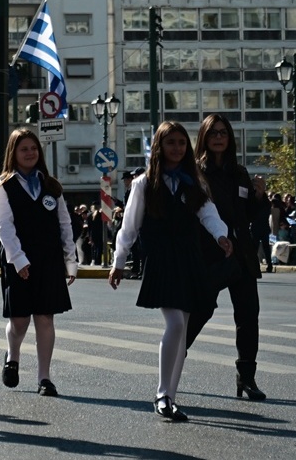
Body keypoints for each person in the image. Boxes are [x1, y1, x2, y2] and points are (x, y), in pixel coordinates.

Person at [108, 121, 233, 422]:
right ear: (159, 147)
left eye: (181, 142)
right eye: (170, 142)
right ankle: (162, 394)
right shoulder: (144, 183)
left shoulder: (195, 181)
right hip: (162, 259)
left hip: (189, 258)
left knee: (183, 327)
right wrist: (119, 261)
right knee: (175, 324)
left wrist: (221, 235)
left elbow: (208, 213)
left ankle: (171, 397)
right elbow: (130, 227)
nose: (176, 148)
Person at [184, 114, 269, 402]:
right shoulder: (195, 173)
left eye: (223, 132)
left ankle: (246, 377)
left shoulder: (240, 173)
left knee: (248, 315)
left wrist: (259, 198)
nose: (219, 137)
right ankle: (172, 362)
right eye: (213, 133)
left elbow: (251, 217)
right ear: (204, 138)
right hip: (211, 253)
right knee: (200, 311)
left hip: (241, 254)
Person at [0, 128, 78, 398]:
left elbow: (64, 223)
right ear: (13, 154)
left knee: (45, 317)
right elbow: (4, 227)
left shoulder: (51, 185)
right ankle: (13, 356)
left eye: (33, 148)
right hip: (18, 259)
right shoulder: (2, 186)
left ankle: (45, 377)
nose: (29, 153)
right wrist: (18, 259)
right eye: (23, 149)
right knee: (19, 321)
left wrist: (70, 260)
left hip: (48, 260)